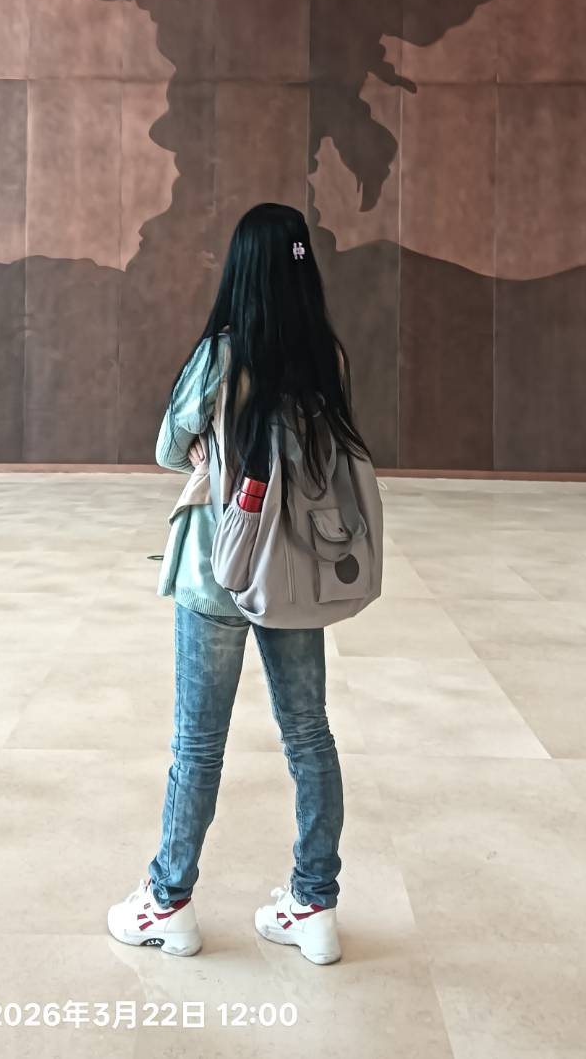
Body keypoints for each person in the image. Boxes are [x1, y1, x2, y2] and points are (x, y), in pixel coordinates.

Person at [106, 203, 372, 966]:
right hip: (295, 573)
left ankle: (168, 903)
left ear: (240, 269)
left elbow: (168, 446)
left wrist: (206, 447)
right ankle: (314, 905)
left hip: (217, 570)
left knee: (197, 743)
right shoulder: (326, 357)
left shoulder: (221, 355)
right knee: (309, 735)